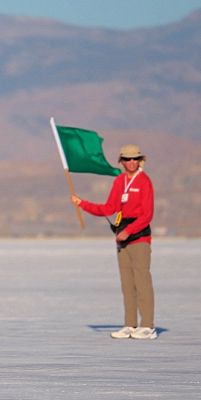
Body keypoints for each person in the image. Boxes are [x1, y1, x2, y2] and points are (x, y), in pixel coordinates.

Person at [71, 144, 156, 339]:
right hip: (122, 238)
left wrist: (129, 231)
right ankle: (130, 325)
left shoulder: (145, 182)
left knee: (142, 281)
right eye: (127, 159)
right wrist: (82, 203)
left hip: (139, 237)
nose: (131, 162)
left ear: (140, 160)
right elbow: (109, 208)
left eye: (135, 159)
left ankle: (148, 326)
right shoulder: (119, 181)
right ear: (122, 161)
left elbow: (147, 214)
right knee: (127, 283)